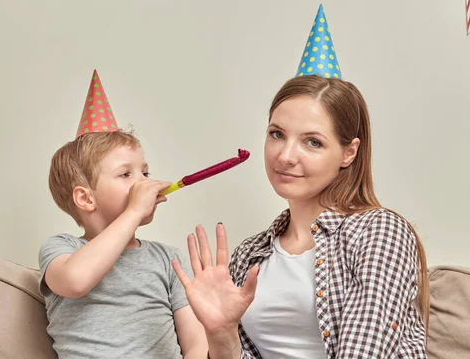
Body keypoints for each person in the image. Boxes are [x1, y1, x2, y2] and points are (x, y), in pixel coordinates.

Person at [172, 74, 429, 359]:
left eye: (312, 142)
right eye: (277, 134)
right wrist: (222, 336)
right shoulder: (249, 254)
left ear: (349, 152)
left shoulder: (380, 232)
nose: (285, 156)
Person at [38, 70, 208, 359]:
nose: (142, 182)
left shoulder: (169, 260)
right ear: (85, 198)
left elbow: (196, 345)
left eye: (145, 172)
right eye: (125, 174)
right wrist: (133, 211)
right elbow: (75, 281)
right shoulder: (61, 249)